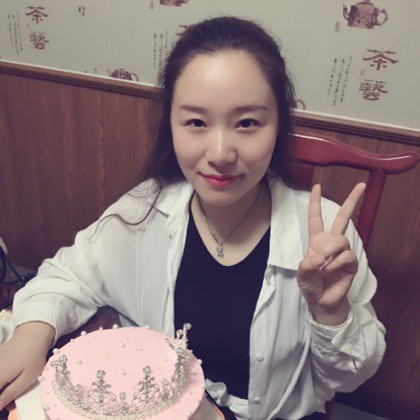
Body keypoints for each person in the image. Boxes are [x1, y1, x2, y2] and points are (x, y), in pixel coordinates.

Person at [0, 16, 385, 420]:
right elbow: (69, 274)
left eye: (247, 123)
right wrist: (31, 335)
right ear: (171, 124)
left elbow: (349, 378)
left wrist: (331, 314)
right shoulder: (143, 211)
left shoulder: (322, 235)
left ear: (278, 127)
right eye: (196, 123)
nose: (220, 153)